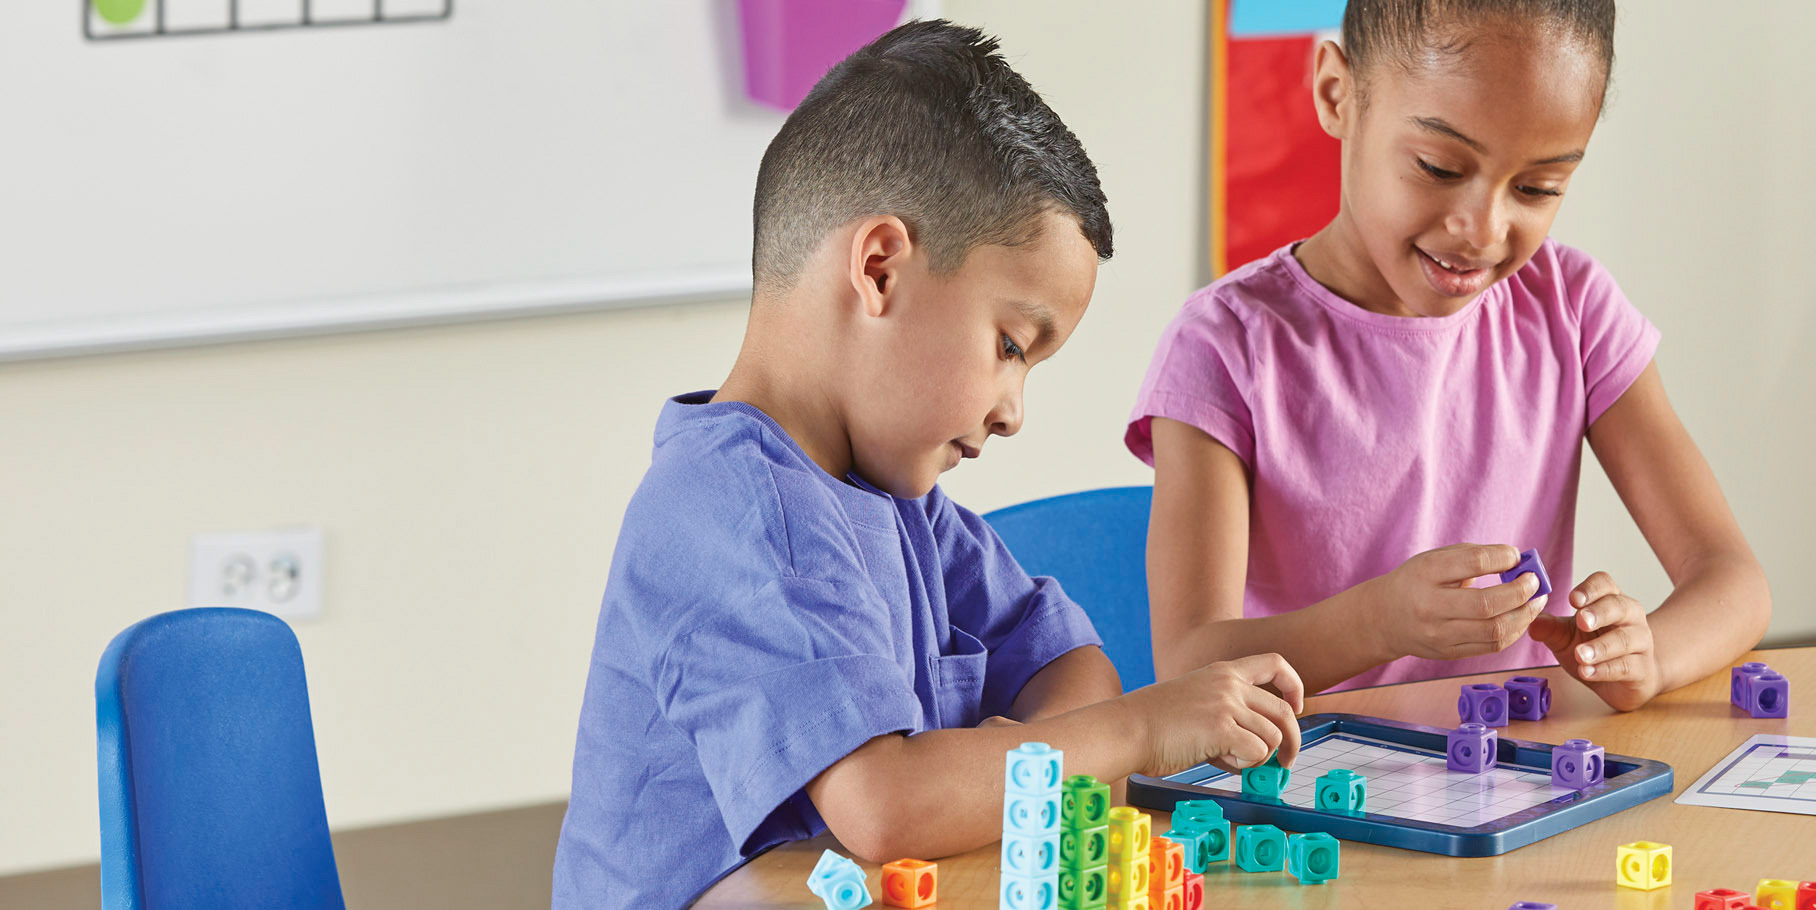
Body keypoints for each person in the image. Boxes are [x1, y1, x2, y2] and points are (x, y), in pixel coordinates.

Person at [554, 20, 1304, 908]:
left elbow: (1073, 670)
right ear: (879, 270)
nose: (1013, 411)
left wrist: (991, 770)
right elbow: (886, 807)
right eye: (1011, 346)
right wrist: (1143, 728)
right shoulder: (735, 507)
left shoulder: (899, 502)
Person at [1129, 0, 1769, 704]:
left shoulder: (1574, 310)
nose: (1481, 229)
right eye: (1438, 167)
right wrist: (1382, 621)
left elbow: (1734, 582)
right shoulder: (1224, 346)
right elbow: (1189, 664)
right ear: (1337, 95)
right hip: (1309, 792)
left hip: (1517, 785)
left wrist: (1649, 655)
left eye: (1537, 188)